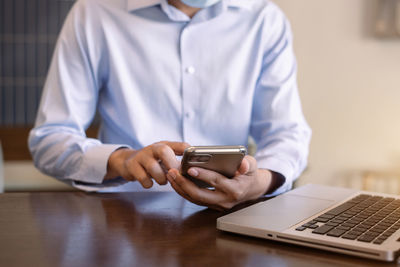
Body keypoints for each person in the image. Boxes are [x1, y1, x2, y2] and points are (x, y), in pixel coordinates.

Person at [28, 0, 311, 210]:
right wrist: (122, 160)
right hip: (122, 218)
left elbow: (287, 134)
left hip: (227, 222)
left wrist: (259, 182)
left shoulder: (265, 19)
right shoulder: (94, 12)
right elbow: (50, 139)